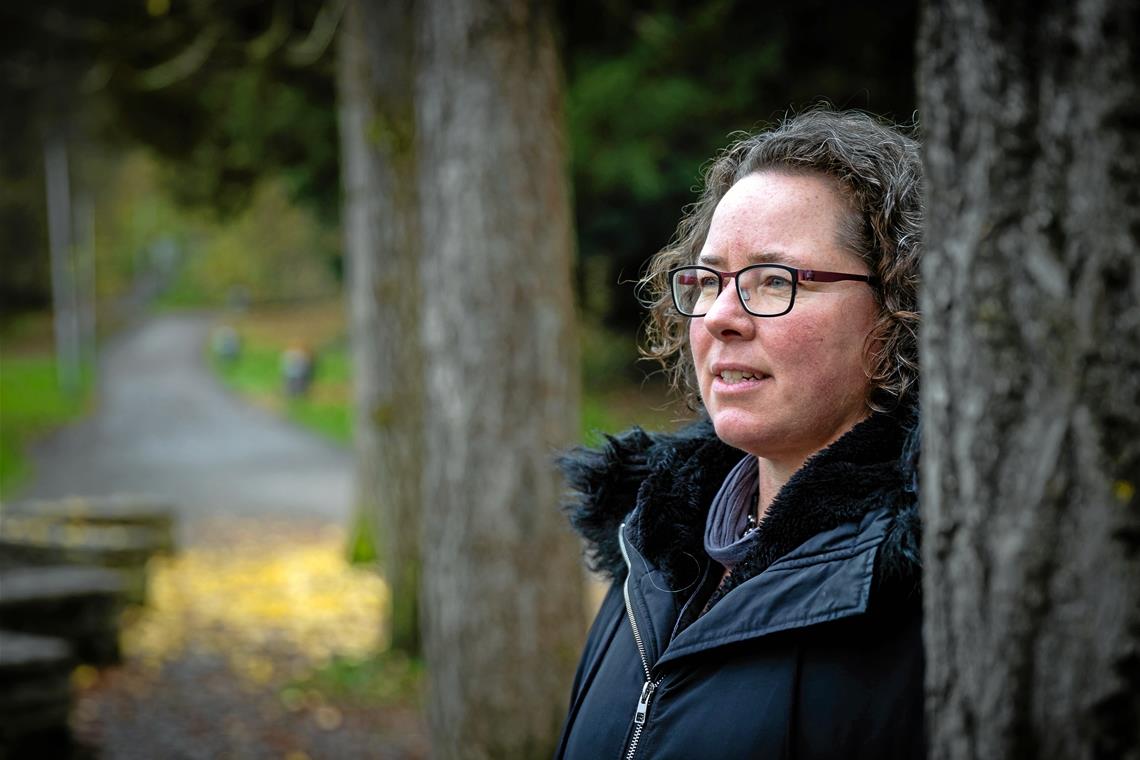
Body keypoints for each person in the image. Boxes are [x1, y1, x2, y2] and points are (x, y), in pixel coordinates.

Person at [555, 108, 925, 759]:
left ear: (899, 306)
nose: (722, 316)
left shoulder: (918, 593)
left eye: (773, 280)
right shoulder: (651, 549)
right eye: (707, 281)